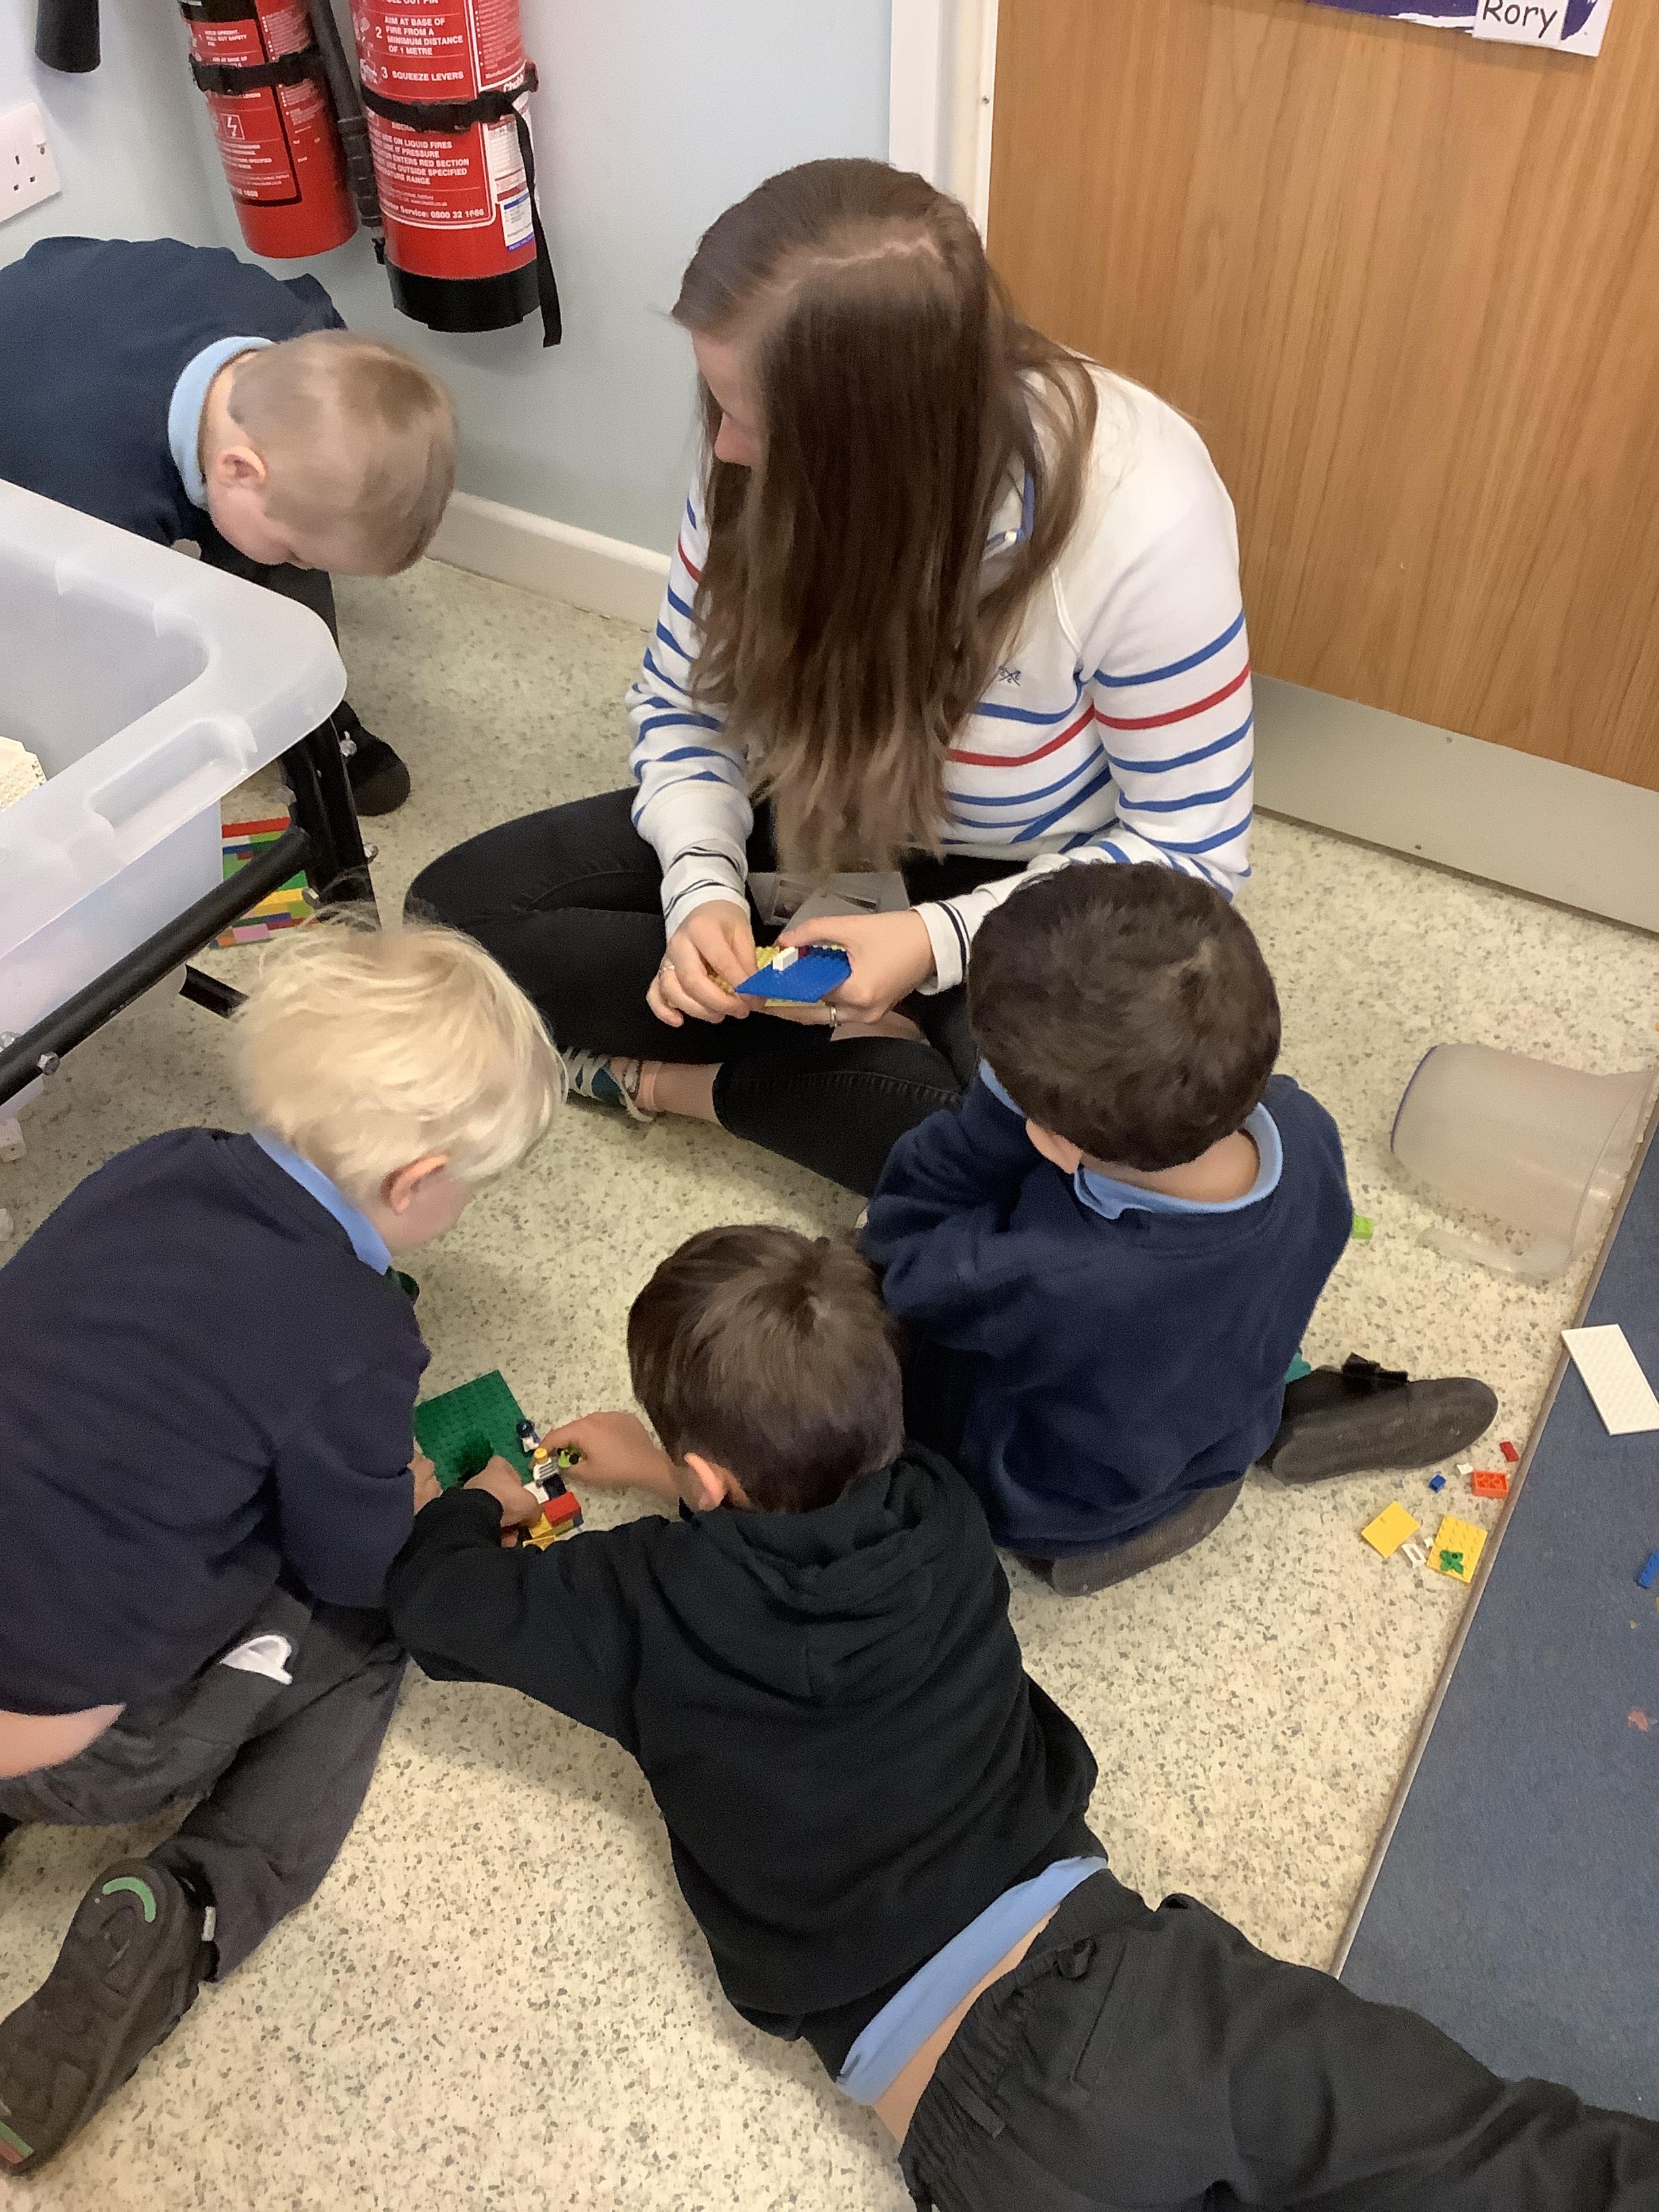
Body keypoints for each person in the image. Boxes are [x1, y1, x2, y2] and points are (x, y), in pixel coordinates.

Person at [384, 1224, 1658, 2209]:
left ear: (706, 1480)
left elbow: (434, 1602)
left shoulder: (636, 1600)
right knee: (1503, 2154)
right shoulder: (938, 1509)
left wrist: (481, 1494)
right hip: (1128, 1973)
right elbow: (794, 1539)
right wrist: (685, 1474)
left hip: (980, 2110)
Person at [407, 157, 1257, 1195]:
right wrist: (701, 889)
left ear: (878, 447)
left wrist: (931, 941)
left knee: (1071, 1156)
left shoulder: (1143, 514)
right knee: (455, 921)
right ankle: (862, 1049)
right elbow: (683, 707)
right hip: (814, 820)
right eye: (720, 403)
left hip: (1036, 892)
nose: (725, 447)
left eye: (755, 422)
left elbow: (1192, 847)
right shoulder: (750, 454)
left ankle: (700, 1083)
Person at [0, 920, 561, 2175]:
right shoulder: (359, 1336)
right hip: (88, 1749)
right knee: (378, 1625)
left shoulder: (151, 1163)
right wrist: (438, 1498)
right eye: (471, 1188)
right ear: (417, 1181)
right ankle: (196, 1905)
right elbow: (360, 1561)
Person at [862, 863, 1497, 1593]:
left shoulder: (1046, 1273)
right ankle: (1274, 1421)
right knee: (1202, 1322)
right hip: (1219, 1407)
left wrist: (994, 1117)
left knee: (870, 1347)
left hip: (1057, 1495)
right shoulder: (1307, 1128)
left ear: (1055, 1140)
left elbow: (901, 1247)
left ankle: (1084, 1541)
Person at [0, 234, 458, 817]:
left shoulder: (306, 337)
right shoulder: (95, 495)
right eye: (299, 553)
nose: (304, 565)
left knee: (265, 548)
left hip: (112, 314)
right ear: (239, 469)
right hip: (32, 378)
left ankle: (309, 716)